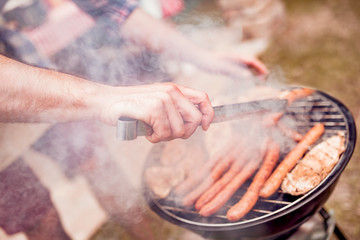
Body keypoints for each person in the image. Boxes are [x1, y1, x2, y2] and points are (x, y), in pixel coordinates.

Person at [0, 0, 267, 239]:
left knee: (100, 166)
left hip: (31, 73)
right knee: (38, 217)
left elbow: (111, 7)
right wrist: (104, 98)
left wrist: (202, 57)